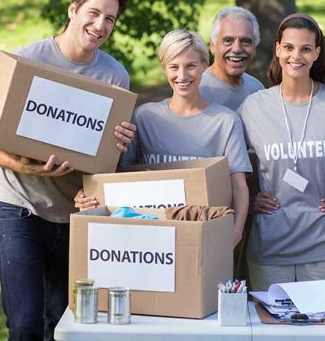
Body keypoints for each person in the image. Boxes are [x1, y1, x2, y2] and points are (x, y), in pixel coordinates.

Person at [0, 0, 136, 341]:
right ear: (73, 9)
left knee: (62, 328)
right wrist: (25, 167)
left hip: (76, 216)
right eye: (93, 13)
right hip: (19, 207)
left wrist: (119, 144)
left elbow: (105, 164)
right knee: (25, 325)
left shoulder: (115, 77)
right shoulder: (26, 62)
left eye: (110, 19)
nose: (100, 25)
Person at [75, 30, 252, 245]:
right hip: (150, 237)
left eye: (191, 66)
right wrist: (91, 196)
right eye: (174, 67)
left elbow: (239, 186)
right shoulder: (144, 116)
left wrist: (236, 232)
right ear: (164, 68)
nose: (182, 75)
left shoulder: (226, 121)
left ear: (205, 65)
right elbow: (118, 177)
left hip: (203, 235)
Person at [239, 13, 325, 290]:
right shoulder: (253, 107)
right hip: (270, 248)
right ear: (277, 49)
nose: (297, 56)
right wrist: (250, 199)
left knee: (323, 332)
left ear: (317, 53)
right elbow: (233, 164)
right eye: (289, 47)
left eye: (306, 48)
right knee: (273, 333)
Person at [200, 6, 265, 111]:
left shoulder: (257, 90)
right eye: (228, 40)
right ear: (213, 45)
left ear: (254, 48)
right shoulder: (197, 92)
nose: (237, 49)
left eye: (246, 41)